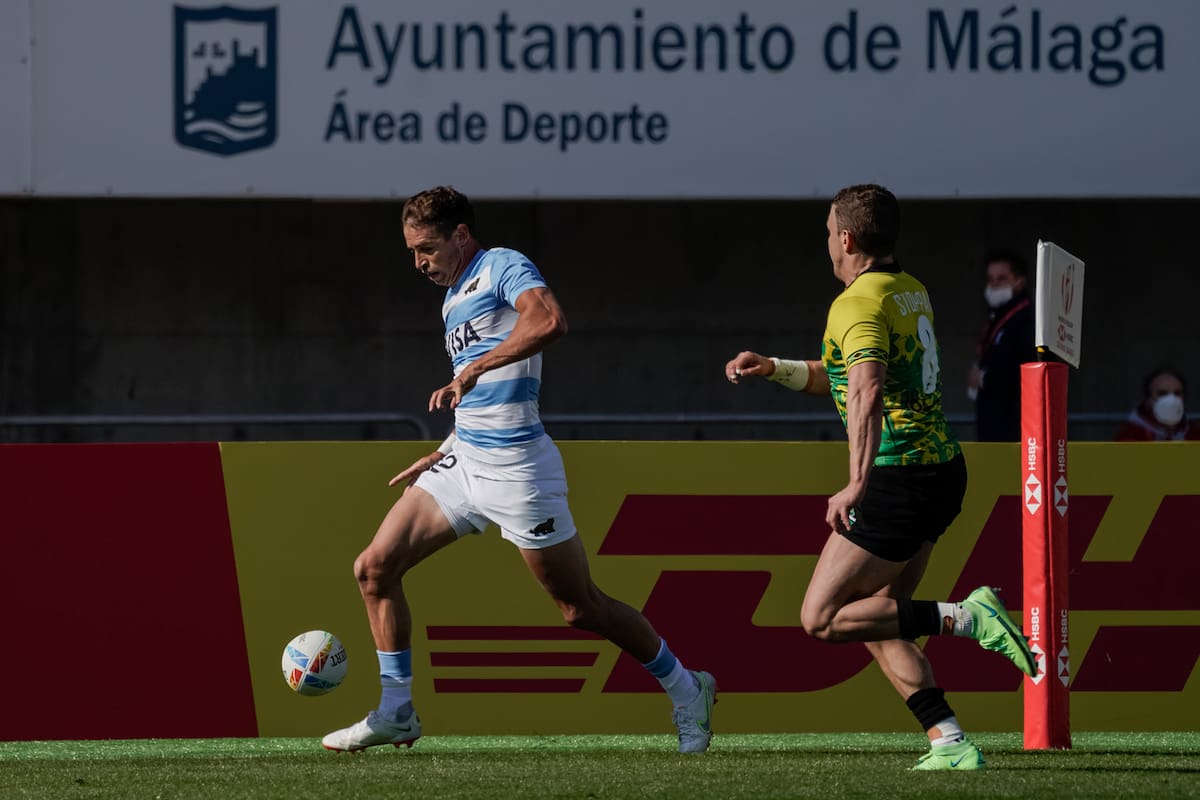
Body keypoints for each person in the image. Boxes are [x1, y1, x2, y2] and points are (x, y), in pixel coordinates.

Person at [322, 186, 716, 754]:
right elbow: (484, 392)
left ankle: (688, 689)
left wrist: (474, 369)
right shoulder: (452, 297)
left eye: (427, 248)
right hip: (463, 461)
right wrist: (446, 445)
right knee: (374, 568)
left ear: (461, 235)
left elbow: (549, 320)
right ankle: (396, 711)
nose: (419, 263)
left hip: (517, 468)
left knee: (580, 608)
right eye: (412, 252)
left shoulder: (502, 265)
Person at [723, 184, 1036, 771]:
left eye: (828, 232)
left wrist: (856, 483)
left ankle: (968, 616)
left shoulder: (856, 303)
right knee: (880, 613)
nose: (826, 243)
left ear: (846, 238)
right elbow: (844, 375)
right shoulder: (907, 289)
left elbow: (865, 391)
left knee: (822, 617)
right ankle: (949, 740)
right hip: (939, 471)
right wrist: (775, 368)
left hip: (898, 478)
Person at [966, 250, 1036, 441]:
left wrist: (984, 378)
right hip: (993, 424)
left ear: (1019, 281)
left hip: (1012, 428)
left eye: (1002, 278)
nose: (994, 284)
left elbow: (1024, 371)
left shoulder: (1025, 319)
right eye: (990, 279)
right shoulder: (997, 316)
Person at [1115, 367, 1200, 441]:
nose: (1171, 399)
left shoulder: (1193, 434)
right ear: (1148, 400)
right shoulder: (1130, 435)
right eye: (1162, 394)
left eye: (1177, 393)